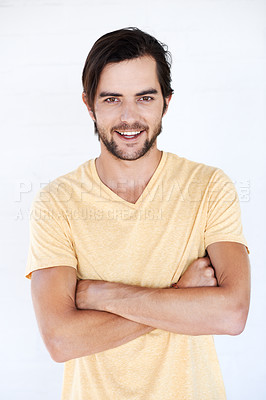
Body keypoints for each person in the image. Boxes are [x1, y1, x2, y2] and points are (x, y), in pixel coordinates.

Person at [26, 27, 250, 400]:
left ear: (166, 101)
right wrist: (179, 294)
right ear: (88, 104)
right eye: (112, 99)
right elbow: (61, 340)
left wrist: (100, 295)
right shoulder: (57, 202)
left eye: (145, 97)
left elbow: (231, 314)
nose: (129, 118)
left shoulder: (210, 187)